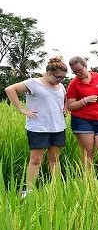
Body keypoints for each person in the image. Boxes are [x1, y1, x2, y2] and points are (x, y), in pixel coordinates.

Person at [4, 57, 68, 196]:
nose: (60, 80)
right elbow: (10, 89)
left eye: (63, 78)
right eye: (58, 77)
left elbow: (64, 99)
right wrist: (21, 108)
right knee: (36, 159)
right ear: (49, 73)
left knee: (55, 159)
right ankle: (29, 191)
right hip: (39, 127)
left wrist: (65, 108)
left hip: (58, 127)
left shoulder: (60, 86)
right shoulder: (33, 83)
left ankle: (56, 189)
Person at [65, 56, 98, 172]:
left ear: (85, 66)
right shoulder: (74, 84)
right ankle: (88, 183)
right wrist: (84, 100)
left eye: (80, 70)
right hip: (82, 120)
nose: (78, 73)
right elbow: (70, 106)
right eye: (75, 72)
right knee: (88, 151)